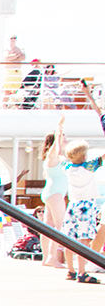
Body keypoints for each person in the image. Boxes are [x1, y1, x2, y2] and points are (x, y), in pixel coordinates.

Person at [62, 139, 103, 283]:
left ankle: (70, 270)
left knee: (70, 238)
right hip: (87, 206)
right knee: (83, 240)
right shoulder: (89, 167)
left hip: (72, 205)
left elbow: (63, 157)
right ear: (84, 156)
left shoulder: (67, 168)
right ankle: (82, 272)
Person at [40, 120, 68, 267]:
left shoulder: (55, 159)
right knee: (59, 227)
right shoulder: (53, 157)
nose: (66, 139)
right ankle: (52, 257)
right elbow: (55, 147)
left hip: (52, 193)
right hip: (55, 194)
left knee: (48, 227)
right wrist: (59, 129)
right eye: (64, 137)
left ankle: (46, 257)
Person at [3, 35, 25, 105]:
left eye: (15, 38)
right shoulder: (6, 48)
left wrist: (15, 56)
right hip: (9, 72)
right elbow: (6, 58)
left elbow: (23, 57)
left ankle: (15, 105)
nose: (13, 39)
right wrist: (16, 56)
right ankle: (4, 105)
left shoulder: (19, 48)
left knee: (17, 90)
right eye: (11, 38)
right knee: (7, 90)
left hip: (17, 72)